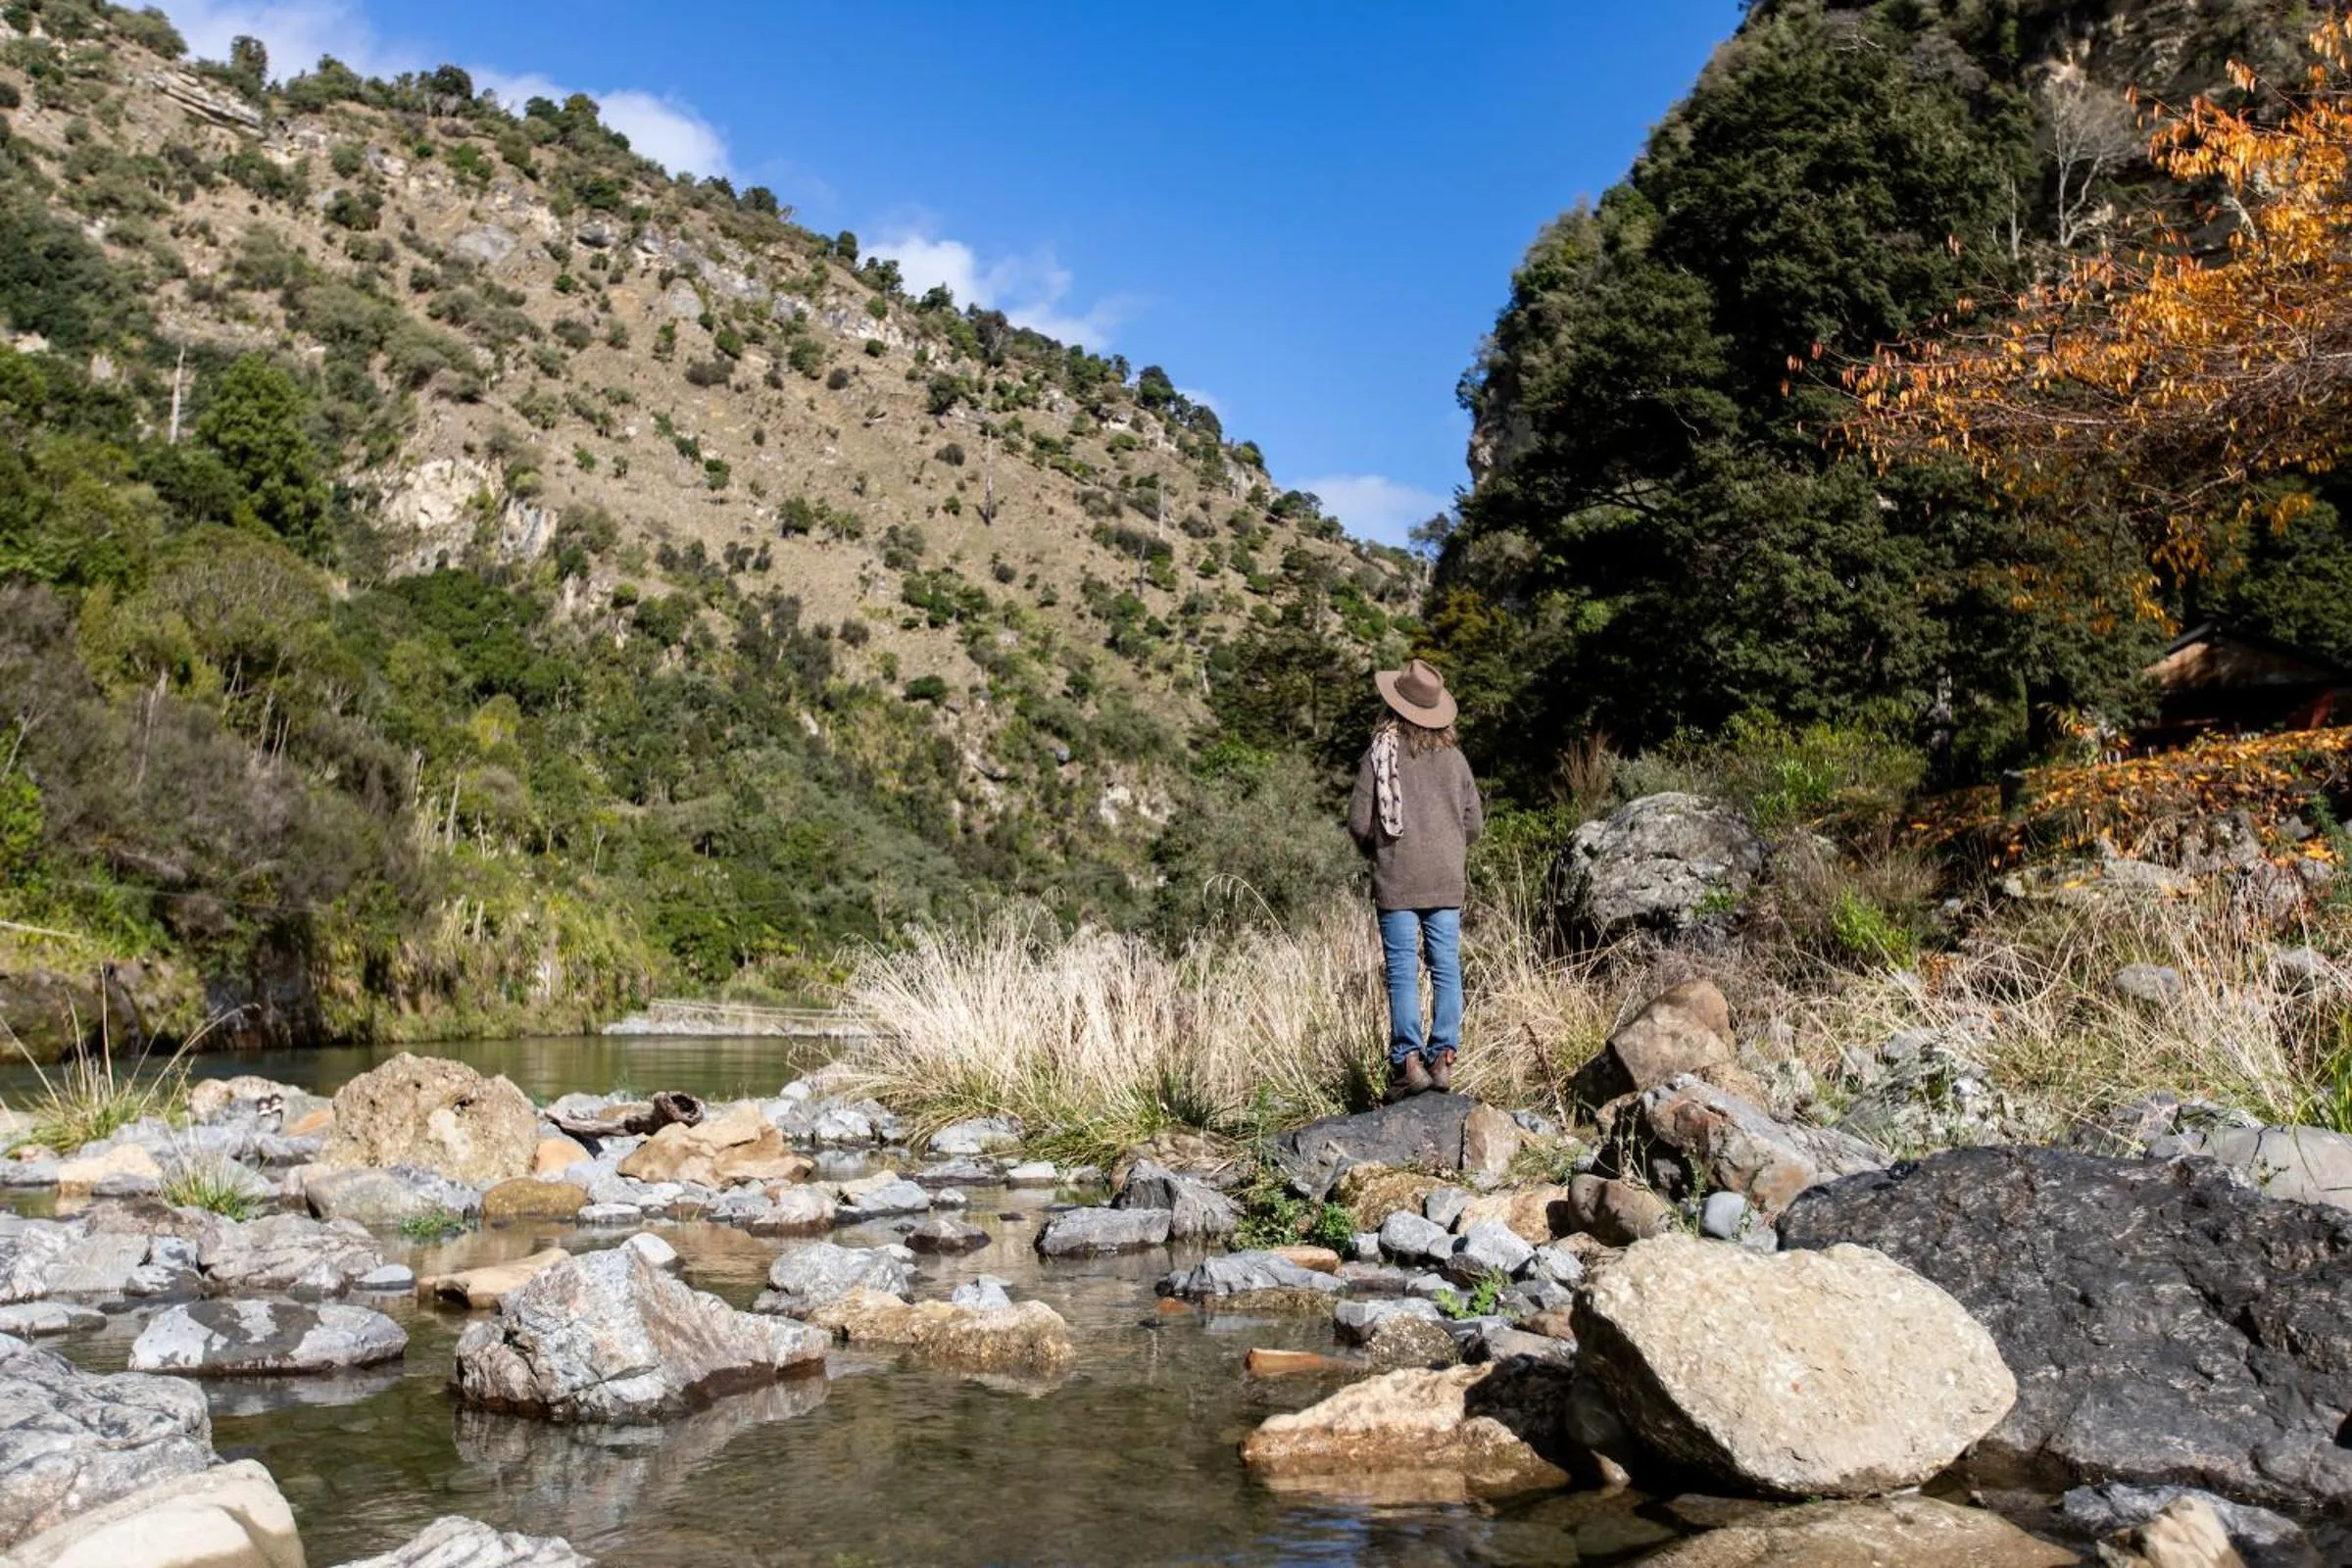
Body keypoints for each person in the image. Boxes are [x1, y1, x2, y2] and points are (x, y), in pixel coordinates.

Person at [1347, 659, 1484, 1101]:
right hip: (1446, 878)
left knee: (1403, 972)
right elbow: (1474, 824)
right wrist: (1447, 847)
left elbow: (1358, 823)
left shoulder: (1379, 754)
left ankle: (1408, 1063)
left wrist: (1380, 852)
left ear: (1395, 706)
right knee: (1445, 968)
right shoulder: (1456, 760)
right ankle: (1443, 1059)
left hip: (1397, 878)